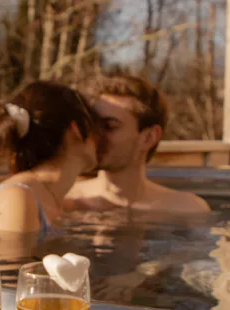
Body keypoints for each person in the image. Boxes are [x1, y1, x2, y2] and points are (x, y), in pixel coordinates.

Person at [65, 72, 210, 214]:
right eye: (93, 125)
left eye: (109, 127)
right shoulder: (67, 202)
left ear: (148, 138)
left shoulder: (187, 210)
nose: (95, 136)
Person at [0, 80, 100, 234]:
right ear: (77, 129)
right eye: (96, 124)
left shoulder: (51, 199)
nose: (101, 136)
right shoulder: (17, 200)